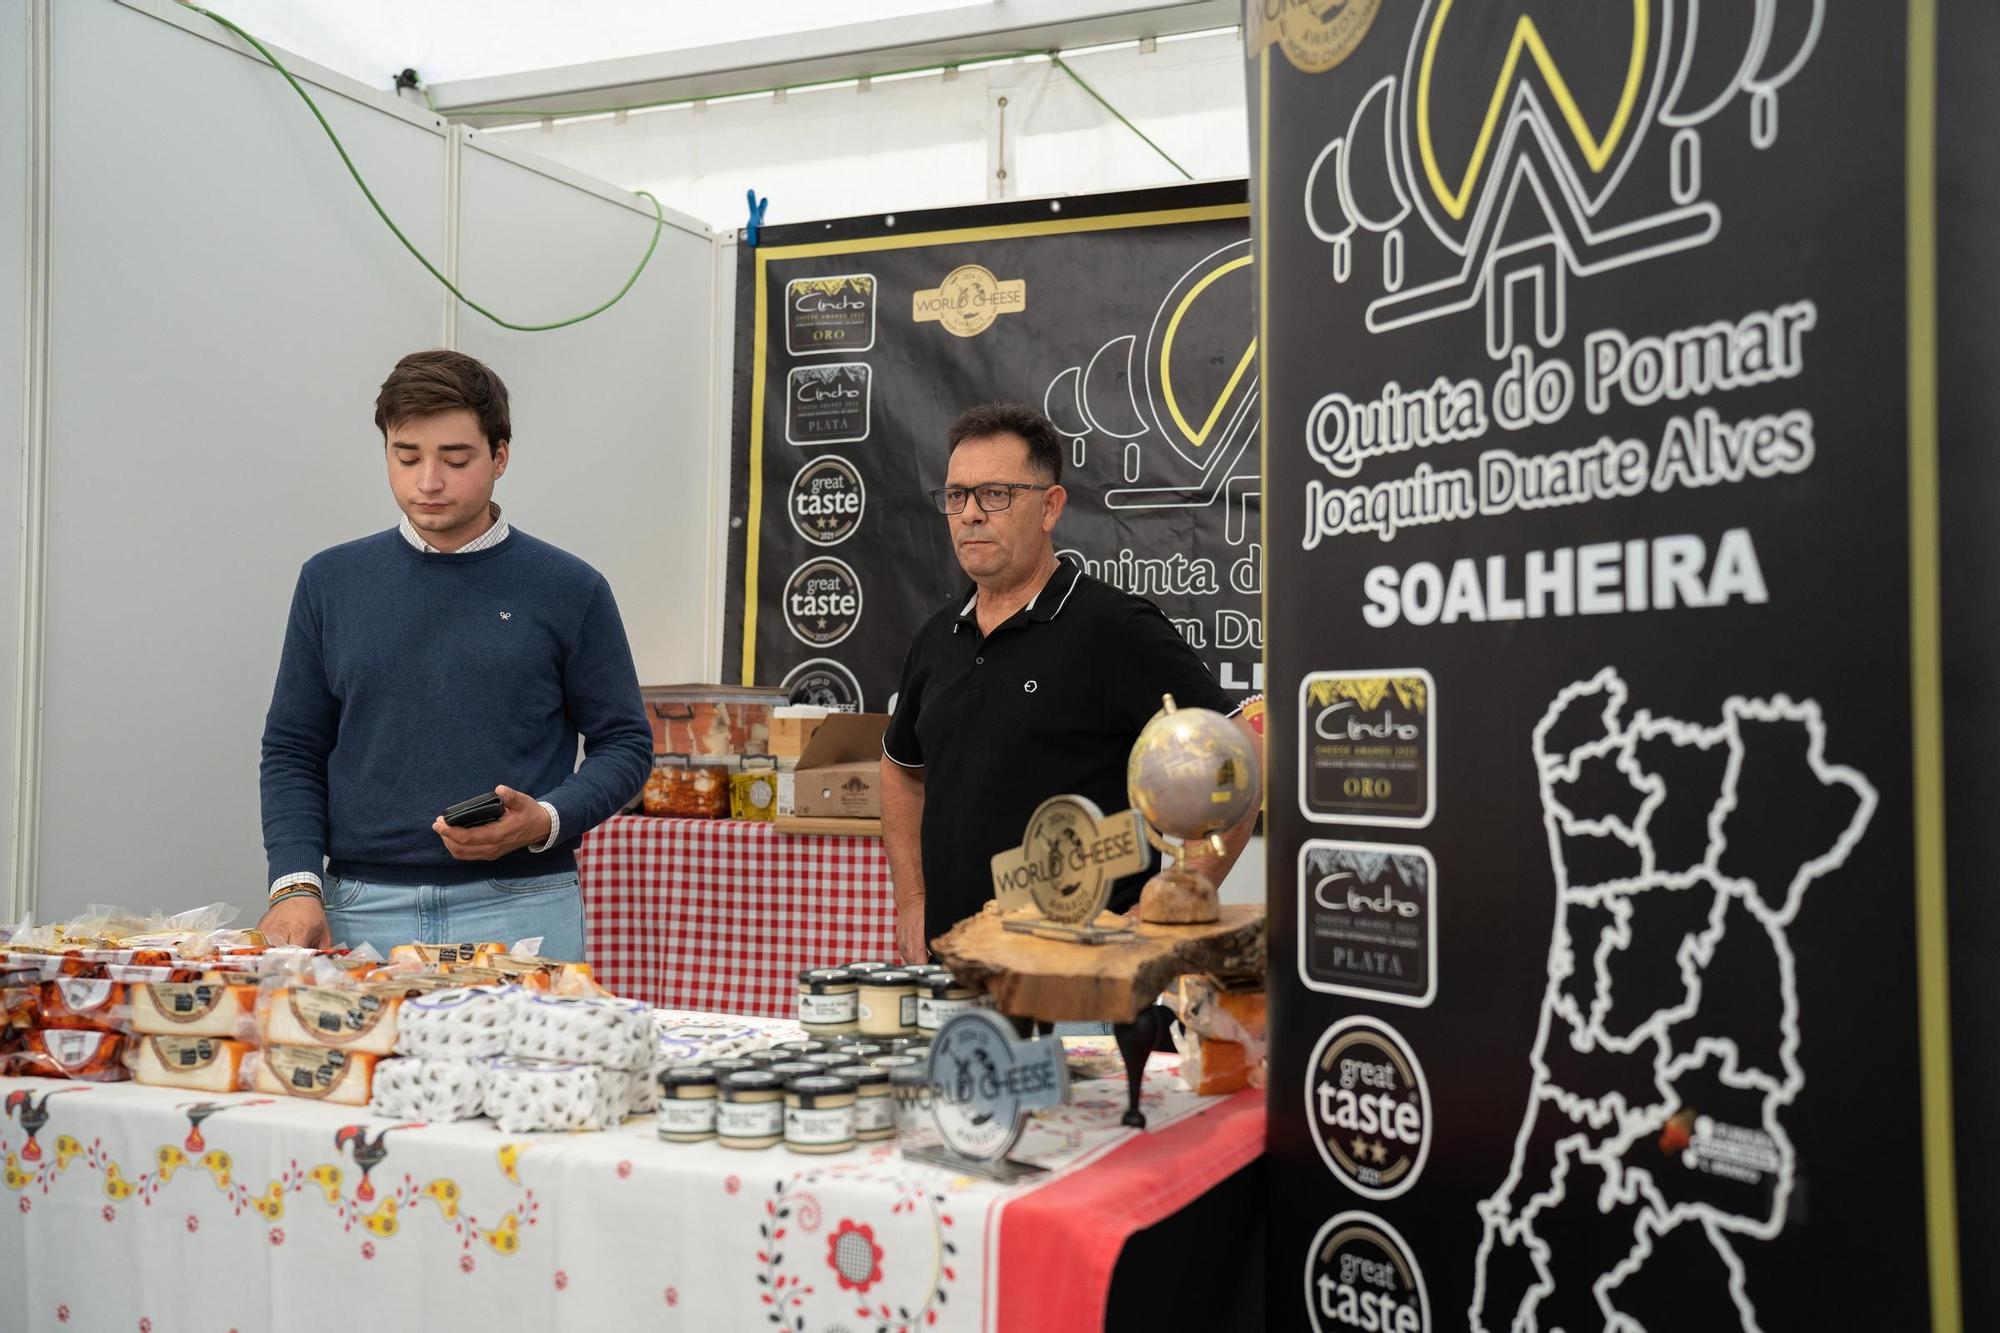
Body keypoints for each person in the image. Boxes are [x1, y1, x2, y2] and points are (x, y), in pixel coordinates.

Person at [255, 350, 652, 958]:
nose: (428, 482)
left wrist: (545, 819)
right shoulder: (330, 582)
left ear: (500, 456)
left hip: (523, 906)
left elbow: (625, 744)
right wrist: (294, 883)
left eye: (456, 458)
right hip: (359, 908)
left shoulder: (571, 589)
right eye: (406, 456)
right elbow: (292, 747)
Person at [879, 402, 1260, 964]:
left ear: (1050, 507)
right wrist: (912, 900)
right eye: (956, 496)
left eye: (996, 494)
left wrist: (1171, 904)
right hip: (953, 975)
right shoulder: (937, 637)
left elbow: (1236, 759)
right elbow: (900, 769)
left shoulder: (1116, 629)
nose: (971, 514)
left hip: (1083, 986)